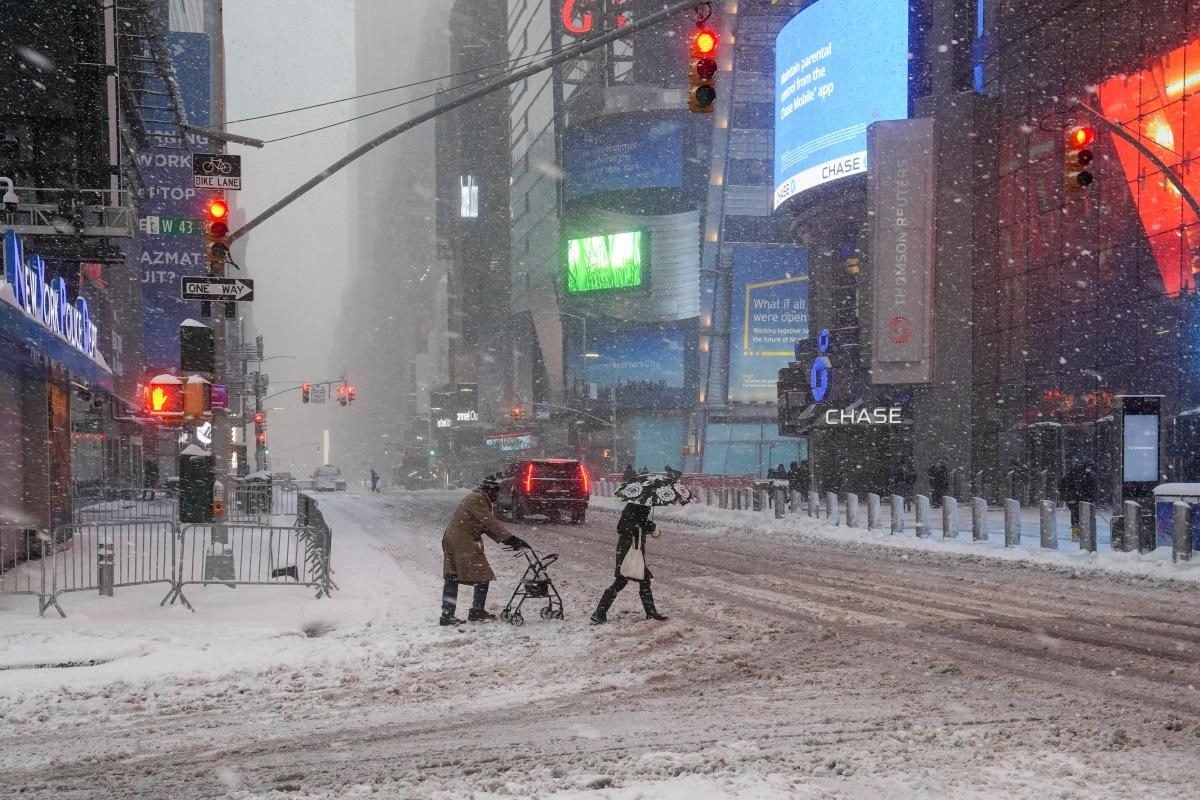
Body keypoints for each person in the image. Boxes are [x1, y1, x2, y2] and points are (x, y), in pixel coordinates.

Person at [439, 475, 529, 626]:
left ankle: (448, 614)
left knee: (452, 576)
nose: (497, 495)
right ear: (489, 490)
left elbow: (486, 526)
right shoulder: (477, 499)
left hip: (454, 538)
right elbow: (490, 522)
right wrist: (511, 539)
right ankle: (476, 611)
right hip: (463, 540)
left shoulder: (476, 499)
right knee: (483, 574)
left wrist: (508, 540)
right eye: (496, 492)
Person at [590, 502, 668, 624]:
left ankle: (600, 612)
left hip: (631, 550)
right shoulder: (634, 508)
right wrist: (646, 526)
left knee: (628, 580)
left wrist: (648, 526)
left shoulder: (638, 507)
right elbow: (623, 527)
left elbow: (635, 525)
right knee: (632, 579)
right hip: (628, 550)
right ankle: (600, 612)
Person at [1058, 460, 1097, 541]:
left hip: (1083, 499)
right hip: (1072, 499)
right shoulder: (1075, 474)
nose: (1089, 469)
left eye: (1090, 467)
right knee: (1076, 514)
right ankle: (1076, 534)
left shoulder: (1088, 476)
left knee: (1082, 515)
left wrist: (1090, 498)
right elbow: (1064, 484)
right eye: (1088, 467)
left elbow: (1092, 489)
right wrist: (1070, 495)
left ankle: (1081, 533)